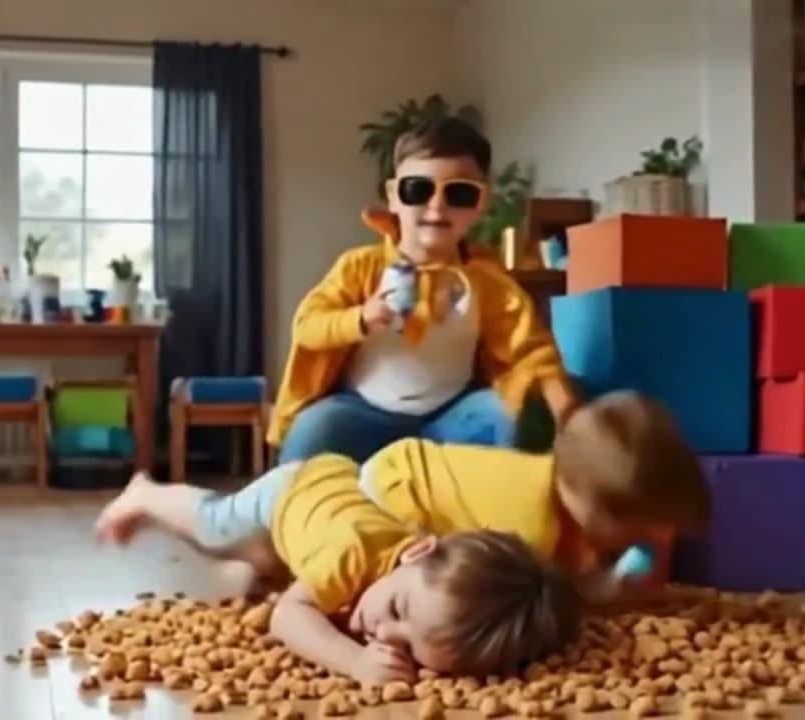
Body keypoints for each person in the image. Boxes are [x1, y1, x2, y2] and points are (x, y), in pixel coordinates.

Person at [94, 463, 581, 683]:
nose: (384, 634)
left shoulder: (418, 578)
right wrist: (351, 661)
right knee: (215, 526)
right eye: (397, 609)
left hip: (333, 503)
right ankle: (145, 494)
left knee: (266, 564)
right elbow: (288, 616)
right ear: (415, 553)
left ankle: (260, 564)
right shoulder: (350, 558)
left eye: (410, 649)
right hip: (294, 490)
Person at [269, 118, 575, 464]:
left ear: (481, 202)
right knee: (314, 430)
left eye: (459, 193)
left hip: (450, 417)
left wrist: (566, 411)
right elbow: (308, 325)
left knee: (509, 415)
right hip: (363, 412)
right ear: (393, 197)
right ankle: (290, 507)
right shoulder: (361, 267)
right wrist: (360, 318)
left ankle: (498, 504)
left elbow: (532, 352)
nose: (437, 206)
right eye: (418, 190)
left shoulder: (488, 283)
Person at [356, 390, 711, 603]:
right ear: (600, 516)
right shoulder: (530, 533)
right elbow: (549, 596)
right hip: (394, 496)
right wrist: (600, 591)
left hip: (408, 461)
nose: (659, 539)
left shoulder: (564, 478)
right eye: (642, 531)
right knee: (436, 596)